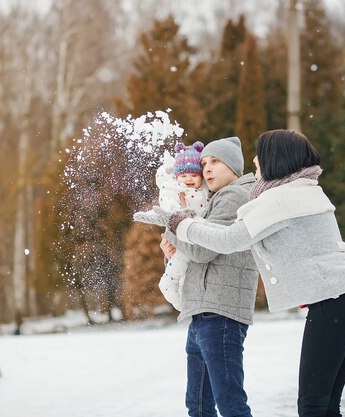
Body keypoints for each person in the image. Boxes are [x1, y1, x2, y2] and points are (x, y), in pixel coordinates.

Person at [150, 129, 345, 417]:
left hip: (334, 303)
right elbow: (230, 234)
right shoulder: (304, 189)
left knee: (313, 406)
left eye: (259, 154)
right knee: (325, 405)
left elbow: (230, 239)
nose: (254, 160)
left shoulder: (278, 200)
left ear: (275, 158)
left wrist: (182, 224)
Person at [135, 136, 258, 417]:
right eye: (204, 163)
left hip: (221, 312)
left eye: (215, 161)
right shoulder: (214, 199)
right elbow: (196, 251)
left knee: (230, 404)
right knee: (199, 406)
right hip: (204, 311)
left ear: (234, 166)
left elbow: (203, 250)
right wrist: (174, 249)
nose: (208, 169)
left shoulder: (234, 196)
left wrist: (171, 225)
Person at [136, 141, 209, 311]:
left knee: (186, 266)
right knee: (180, 261)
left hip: (195, 239)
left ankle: (181, 293)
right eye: (184, 176)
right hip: (183, 237)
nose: (189, 179)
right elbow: (168, 208)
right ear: (177, 177)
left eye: (194, 175)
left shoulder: (205, 192)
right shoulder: (174, 190)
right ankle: (168, 283)